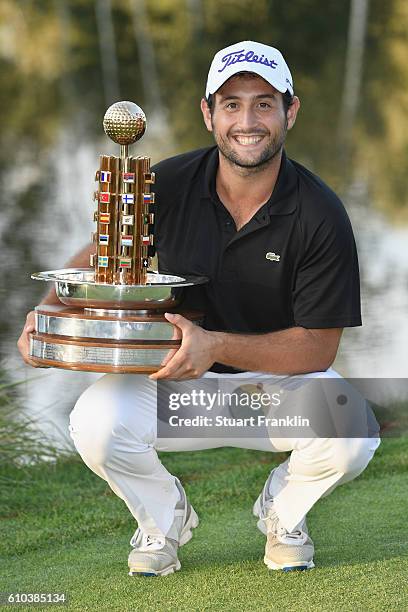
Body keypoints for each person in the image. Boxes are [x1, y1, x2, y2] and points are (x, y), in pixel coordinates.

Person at [18, 41, 380, 575]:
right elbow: (104, 252)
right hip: (175, 386)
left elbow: (318, 346)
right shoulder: (166, 182)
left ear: (290, 112)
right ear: (208, 113)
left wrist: (215, 346)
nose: (248, 121)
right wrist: (47, 316)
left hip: (271, 392)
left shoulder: (320, 212)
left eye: (264, 103)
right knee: (94, 422)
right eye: (231, 104)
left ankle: (283, 513)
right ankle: (163, 520)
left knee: (354, 430)